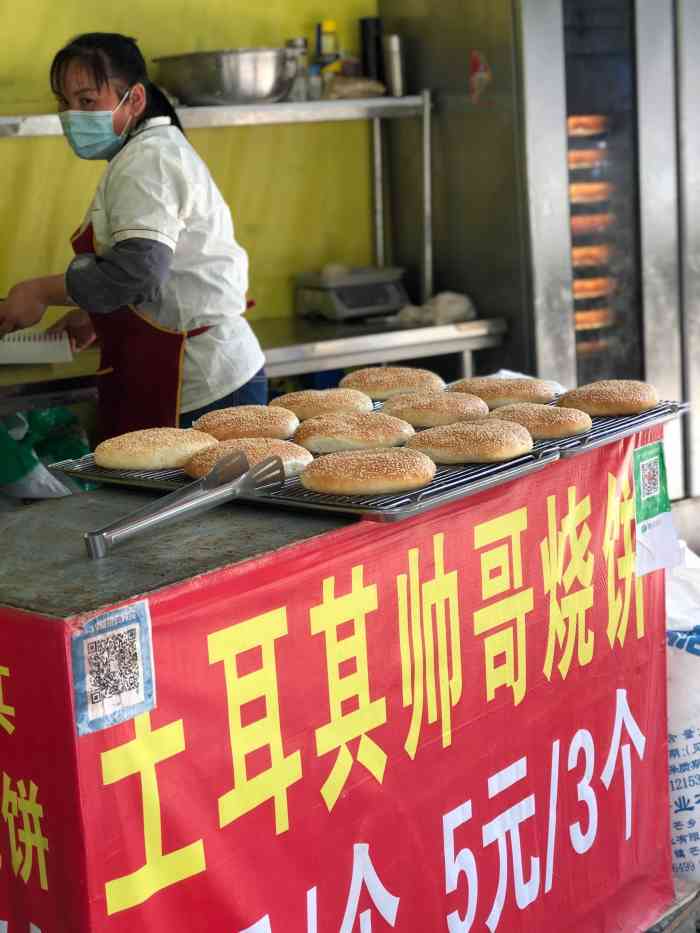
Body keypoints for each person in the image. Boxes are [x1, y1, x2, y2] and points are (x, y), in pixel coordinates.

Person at [0, 33, 266, 441]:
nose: (71, 116)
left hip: (199, 381)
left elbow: (139, 270)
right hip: (190, 367)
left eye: (87, 101)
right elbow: (166, 268)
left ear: (135, 100)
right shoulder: (147, 151)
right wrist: (96, 312)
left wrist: (38, 291)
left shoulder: (148, 159)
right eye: (63, 103)